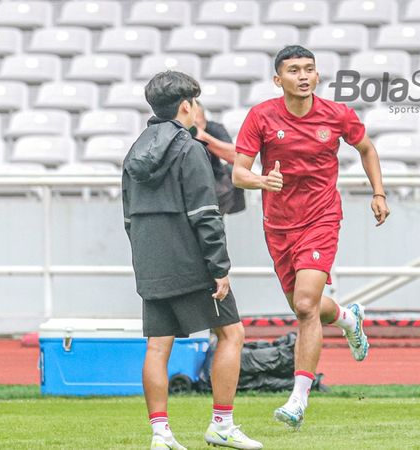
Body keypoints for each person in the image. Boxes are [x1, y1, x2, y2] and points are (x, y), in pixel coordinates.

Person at [232, 45, 390, 430]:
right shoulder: (262, 116)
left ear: (317, 76)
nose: (303, 76)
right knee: (305, 305)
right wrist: (261, 180)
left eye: (309, 69)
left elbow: (367, 148)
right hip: (278, 224)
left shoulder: (336, 115)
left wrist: (379, 192)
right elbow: (239, 172)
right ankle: (348, 318)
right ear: (278, 79)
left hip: (321, 217)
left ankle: (298, 399)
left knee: (304, 304)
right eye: (293, 70)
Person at [122, 70, 262, 450]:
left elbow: (128, 217)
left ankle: (160, 434)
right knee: (231, 333)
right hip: (191, 263)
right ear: (187, 106)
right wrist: (219, 267)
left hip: (150, 261)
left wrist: (144, 261)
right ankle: (221, 423)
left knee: (157, 346)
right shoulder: (190, 148)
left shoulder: (134, 149)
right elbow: (205, 212)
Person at [192, 100, 246, 215]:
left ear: (204, 119)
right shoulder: (174, 132)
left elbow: (237, 158)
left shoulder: (213, 129)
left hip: (214, 183)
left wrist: (202, 137)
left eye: (195, 124)